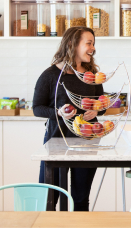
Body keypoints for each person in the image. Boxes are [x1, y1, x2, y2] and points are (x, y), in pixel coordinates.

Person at [33, 26, 104, 211]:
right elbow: (37, 108)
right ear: (72, 44)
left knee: (80, 199)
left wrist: (96, 111)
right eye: (88, 43)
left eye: (93, 43)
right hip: (57, 142)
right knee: (50, 197)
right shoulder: (50, 75)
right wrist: (58, 113)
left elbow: (100, 104)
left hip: (87, 143)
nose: (93, 48)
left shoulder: (92, 76)